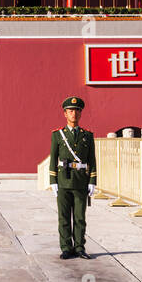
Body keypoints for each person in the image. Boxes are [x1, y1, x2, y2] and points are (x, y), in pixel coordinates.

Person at [48, 96, 97, 259]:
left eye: (76, 111)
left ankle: (80, 247)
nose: (73, 114)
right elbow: (53, 158)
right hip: (63, 181)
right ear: (65, 114)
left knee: (80, 217)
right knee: (63, 217)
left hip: (81, 181)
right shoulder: (57, 135)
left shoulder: (87, 136)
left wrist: (92, 181)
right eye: (70, 111)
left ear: (81, 113)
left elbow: (92, 160)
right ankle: (66, 248)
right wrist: (53, 181)